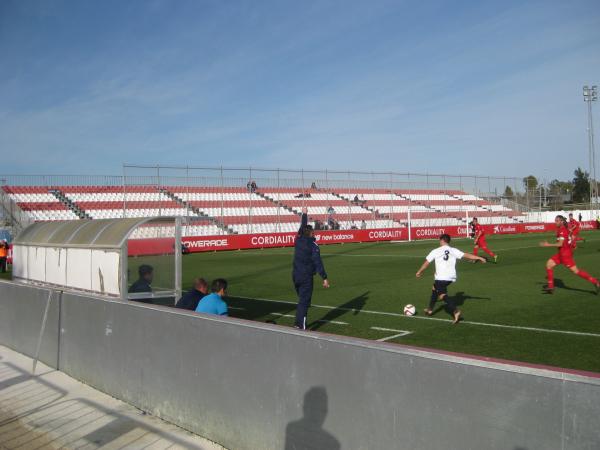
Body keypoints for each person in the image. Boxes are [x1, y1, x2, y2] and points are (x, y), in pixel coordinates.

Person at [416, 234, 486, 324]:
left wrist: (419, 271)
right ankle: (430, 309)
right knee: (434, 288)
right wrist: (479, 257)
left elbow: (426, 263)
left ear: (442, 240)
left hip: (441, 277)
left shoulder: (436, 251)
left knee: (441, 295)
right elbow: (466, 255)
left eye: (439, 240)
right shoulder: (453, 250)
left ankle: (455, 311)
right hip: (451, 277)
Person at [540, 215, 599, 294]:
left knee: (576, 271)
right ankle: (551, 287)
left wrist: (548, 245)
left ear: (561, 221)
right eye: (555, 220)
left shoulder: (562, 230)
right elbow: (569, 237)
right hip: (562, 253)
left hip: (565, 255)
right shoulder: (564, 229)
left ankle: (596, 282)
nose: (555, 222)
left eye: (557, 221)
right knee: (549, 264)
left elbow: (560, 244)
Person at [293, 207, 329, 329]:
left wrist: (304, 214)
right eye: (313, 232)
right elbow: (317, 261)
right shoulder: (313, 245)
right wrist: (324, 277)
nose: (315, 234)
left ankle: (298, 323)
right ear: (310, 234)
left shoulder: (298, 240)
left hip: (295, 276)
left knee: (302, 300)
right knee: (304, 301)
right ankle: (300, 325)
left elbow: (302, 228)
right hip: (306, 276)